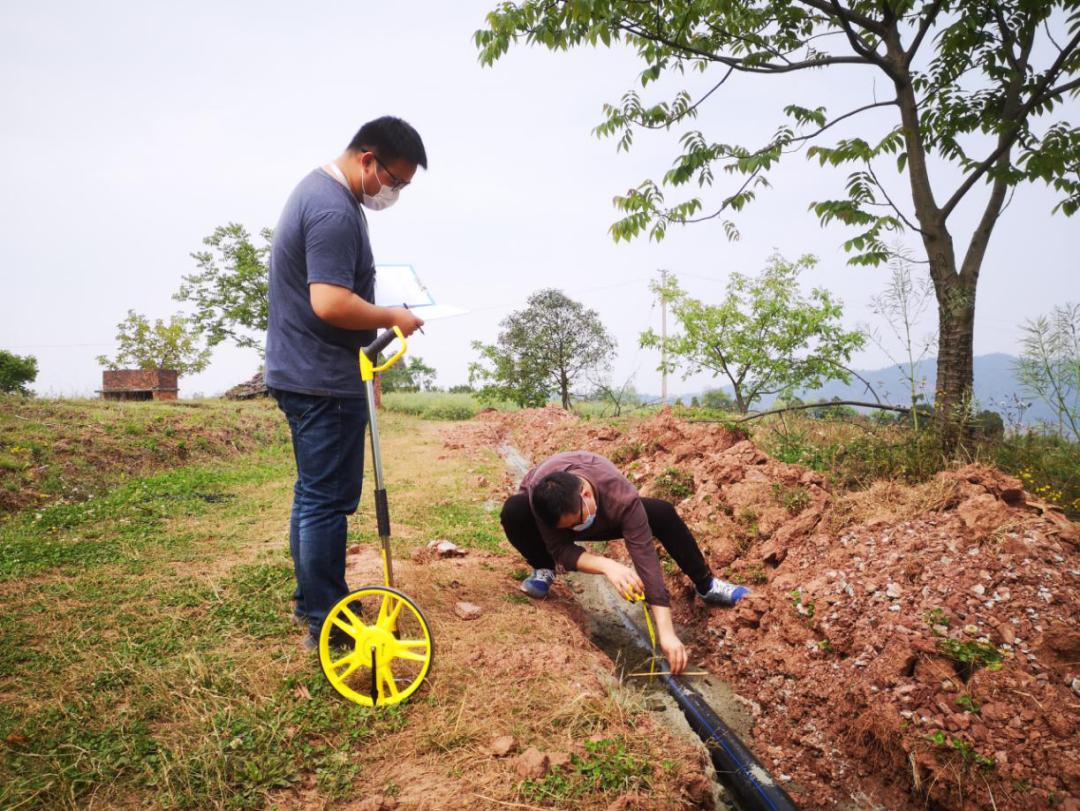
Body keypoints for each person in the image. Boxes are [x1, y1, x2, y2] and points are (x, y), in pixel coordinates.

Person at [265, 116, 427, 650]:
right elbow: (330, 302)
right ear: (367, 160)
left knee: (312, 496)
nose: (395, 193)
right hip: (321, 379)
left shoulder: (321, 195)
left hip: (309, 371)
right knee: (326, 503)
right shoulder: (334, 209)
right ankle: (327, 623)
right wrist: (391, 317)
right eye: (395, 181)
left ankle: (311, 601)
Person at [501, 451, 749, 674]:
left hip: (606, 516)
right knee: (514, 510)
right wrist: (608, 565)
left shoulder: (621, 497)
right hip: (550, 517)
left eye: (577, 522)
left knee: (662, 512)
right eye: (569, 527)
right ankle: (543, 569)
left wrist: (667, 633)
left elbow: (646, 560)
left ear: (586, 495)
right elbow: (561, 550)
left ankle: (706, 584)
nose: (577, 530)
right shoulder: (539, 497)